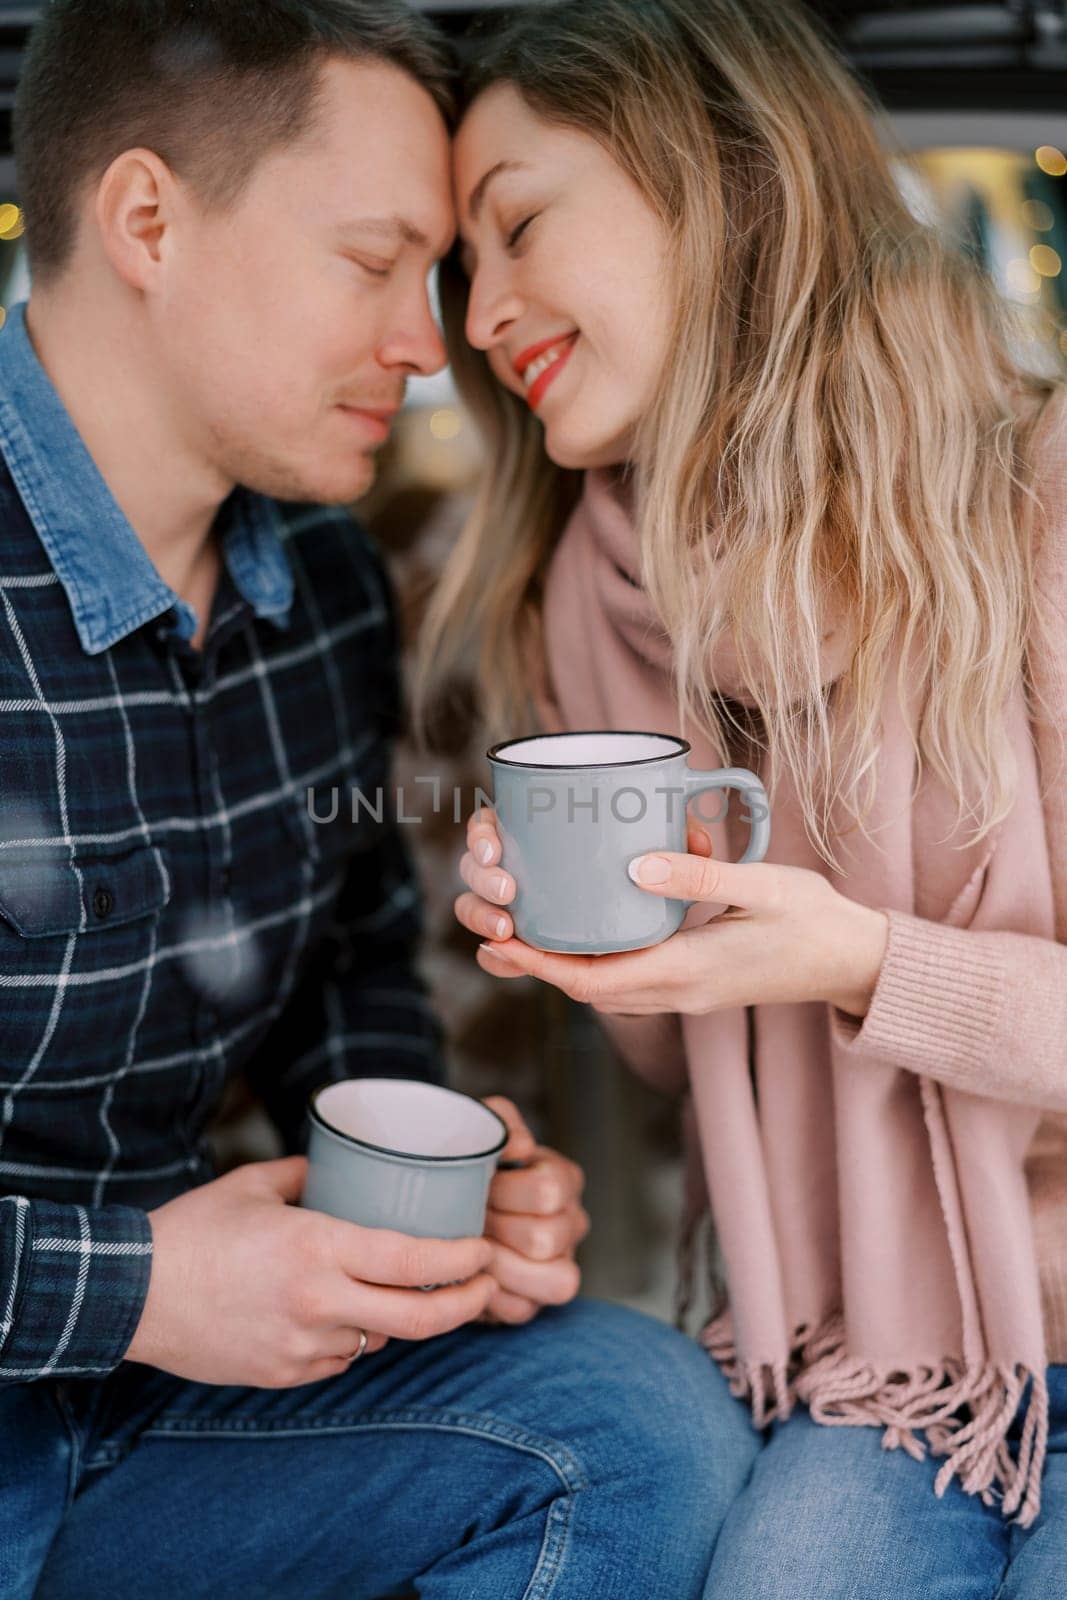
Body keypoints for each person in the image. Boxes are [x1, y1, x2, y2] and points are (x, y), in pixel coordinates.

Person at [0, 4, 760, 1597]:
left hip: (150, 1417)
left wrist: (434, 1193)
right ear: (148, 221)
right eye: (376, 262)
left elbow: (345, 956)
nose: (433, 344)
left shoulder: (326, 584)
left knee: (643, 1420)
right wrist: (132, 1289)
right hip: (105, 1335)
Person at [423, 0, 1067, 1592]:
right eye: (458, 271)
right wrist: (585, 943)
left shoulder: (1037, 495)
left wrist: (861, 961)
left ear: (713, 174)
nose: (481, 312)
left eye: (515, 228)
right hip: (872, 1357)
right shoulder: (585, 586)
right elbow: (676, 1064)